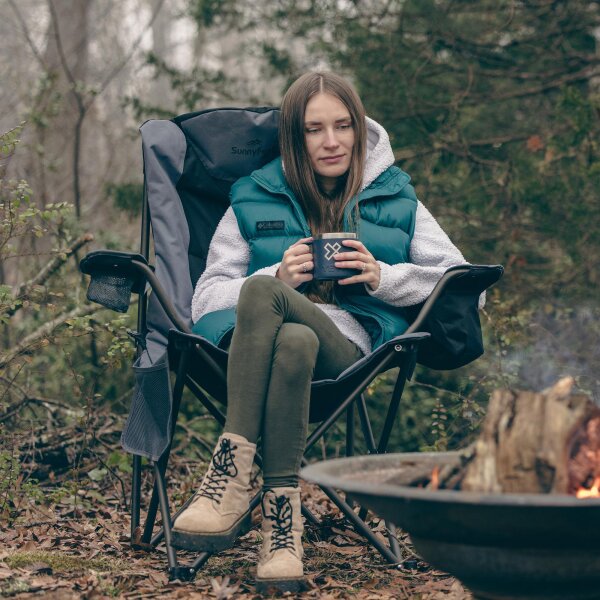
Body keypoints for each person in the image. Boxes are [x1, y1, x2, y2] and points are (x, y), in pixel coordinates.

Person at [171, 71, 470, 592]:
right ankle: (281, 533)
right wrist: (277, 275)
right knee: (291, 335)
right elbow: (206, 296)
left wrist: (384, 276)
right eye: (314, 129)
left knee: (271, 302)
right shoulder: (251, 196)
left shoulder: (396, 198)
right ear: (294, 137)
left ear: (359, 129)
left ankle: (229, 475)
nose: (331, 142)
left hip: (348, 348)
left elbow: (465, 283)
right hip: (265, 348)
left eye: (342, 126)